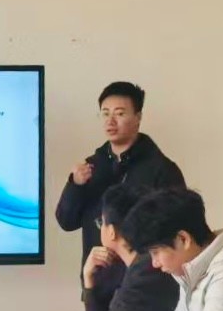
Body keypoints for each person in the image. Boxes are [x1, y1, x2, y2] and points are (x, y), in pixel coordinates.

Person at [55, 81, 185, 267]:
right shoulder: (91, 167)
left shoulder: (161, 169)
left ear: (138, 117)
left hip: (144, 276)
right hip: (97, 276)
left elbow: (174, 230)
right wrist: (75, 185)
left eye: (120, 113)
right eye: (105, 113)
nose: (110, 121)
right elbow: (66, 222)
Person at [82, 184, 179, 311]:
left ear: (112, 231)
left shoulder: (146, 270)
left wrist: (88, 281)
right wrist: (89, 279)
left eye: (101, 222)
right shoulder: (142, 262)